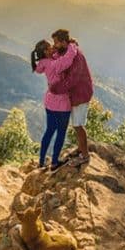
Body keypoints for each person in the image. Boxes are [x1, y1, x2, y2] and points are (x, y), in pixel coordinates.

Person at [31, 39, 78, 170]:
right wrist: (72, 46)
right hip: (62, 104)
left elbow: (55, 57)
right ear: (46, 51)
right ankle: (55, 162)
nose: (53, 47)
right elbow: (67, 60)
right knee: (61, 132)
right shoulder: (55, 64)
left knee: (49, 131)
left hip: (50, 103)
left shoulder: (43, 63)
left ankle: (41, 161)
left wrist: (60, 47)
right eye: (50, 46)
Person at [50, 29, 94, 167]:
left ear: (64, 42)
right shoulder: (68, 52)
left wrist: (56, 88)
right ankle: (81, 148)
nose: (55, 45)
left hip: (81, 94)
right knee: (76, 124)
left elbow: (72, 79)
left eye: (56, 42)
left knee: (78, 125)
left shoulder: (76, 57)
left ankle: (85, 156)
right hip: (76, 94)